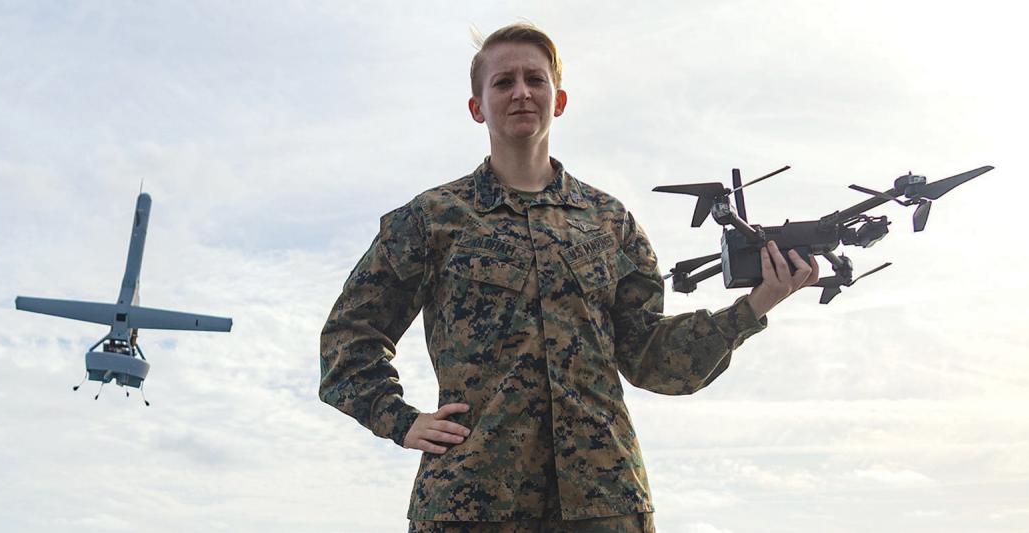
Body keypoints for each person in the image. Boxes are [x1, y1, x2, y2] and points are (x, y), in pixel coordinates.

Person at [318, 23, 819, 532]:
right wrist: (401, 421)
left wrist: (754, 308)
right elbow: (349, 339)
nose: (521, 92)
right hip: (474, 505)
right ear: (477, 107)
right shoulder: (432, 219)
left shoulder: (609, 222)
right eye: (503, 82)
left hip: (605, 504)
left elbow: (651, 359)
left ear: (558, 100)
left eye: (534, 79)